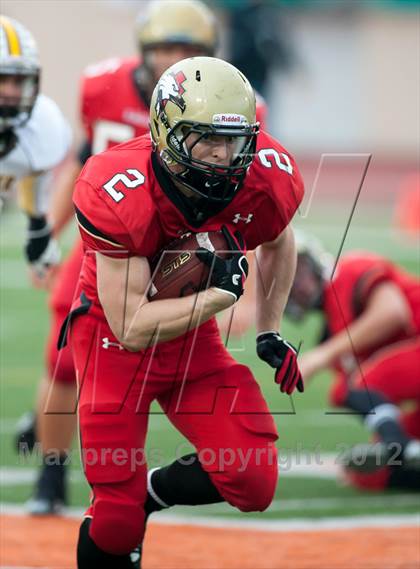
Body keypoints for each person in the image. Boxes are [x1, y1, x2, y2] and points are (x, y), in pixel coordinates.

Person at [66, 56, 304, 568]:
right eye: (206, 140)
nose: (223, 156)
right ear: (167, 132)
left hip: (192, 342)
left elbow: (281, 243)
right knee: (114, 521)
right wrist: (219, 296)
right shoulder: (120, 186)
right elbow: (130, 326)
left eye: (235, 141)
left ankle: (151, 494)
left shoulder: (264, 177)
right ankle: (130, 508)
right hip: (111, 341)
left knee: (252, 478)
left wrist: (269, 331)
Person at [23, 0, 259, 516]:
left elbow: (247, 206)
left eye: (191, 49)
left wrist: (243, 283)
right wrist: (48, 231)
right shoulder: (103, 86)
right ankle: (50, 472)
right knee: (61, 360)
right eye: (168, 47)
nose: (177, 57)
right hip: (108, 243)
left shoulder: (232, 109)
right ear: (144, 51)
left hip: (178, 253)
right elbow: (85, 161)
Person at [286, 234, 420, 491]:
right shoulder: (334, 334)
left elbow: (392, 312)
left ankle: (400, 445)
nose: (298, 286)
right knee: (369, 474)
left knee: (358, 383)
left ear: (312, 261)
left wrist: (322, 355)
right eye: (287, 283)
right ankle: (404, 447)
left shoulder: (348, 271)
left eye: (298, 271)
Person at [0, 15, 70, 282]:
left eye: (18, 81)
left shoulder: (43, 125)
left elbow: (36, 169)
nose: (11, 92)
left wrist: (37, 223)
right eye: (2, 79)